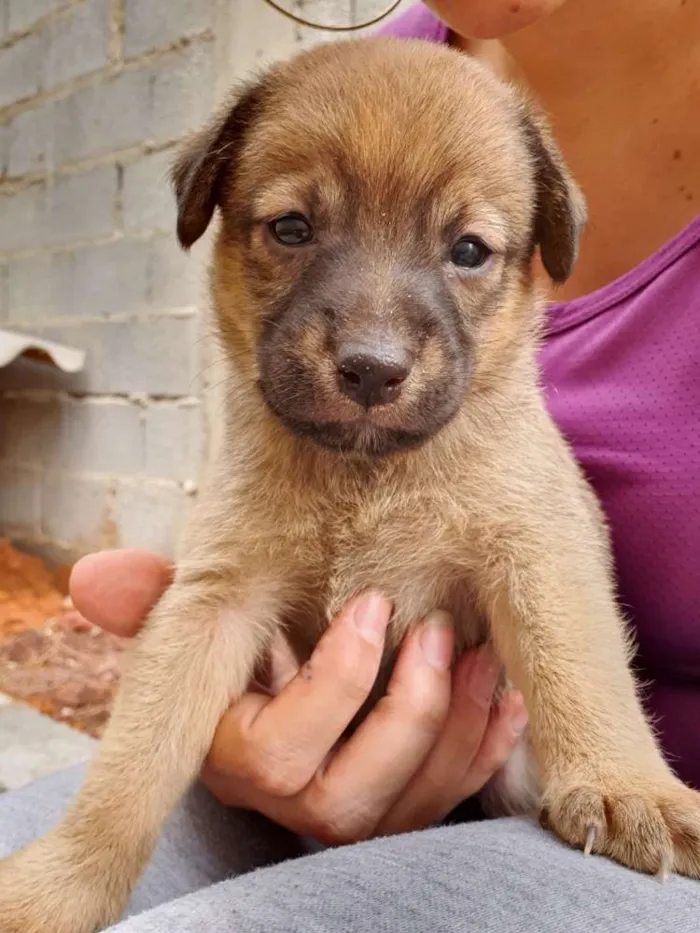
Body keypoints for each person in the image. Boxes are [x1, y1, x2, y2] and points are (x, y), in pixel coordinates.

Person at [2, 1, 698, 929]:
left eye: (466, 251)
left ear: (538, 259)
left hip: (529, 800)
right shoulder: (354, 75)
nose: (372, 344)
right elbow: (213, 612)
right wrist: (94, 856)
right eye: (292, 231)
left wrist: (607, 766)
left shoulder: (498, 420)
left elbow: (541, 560)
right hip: (291, 799)